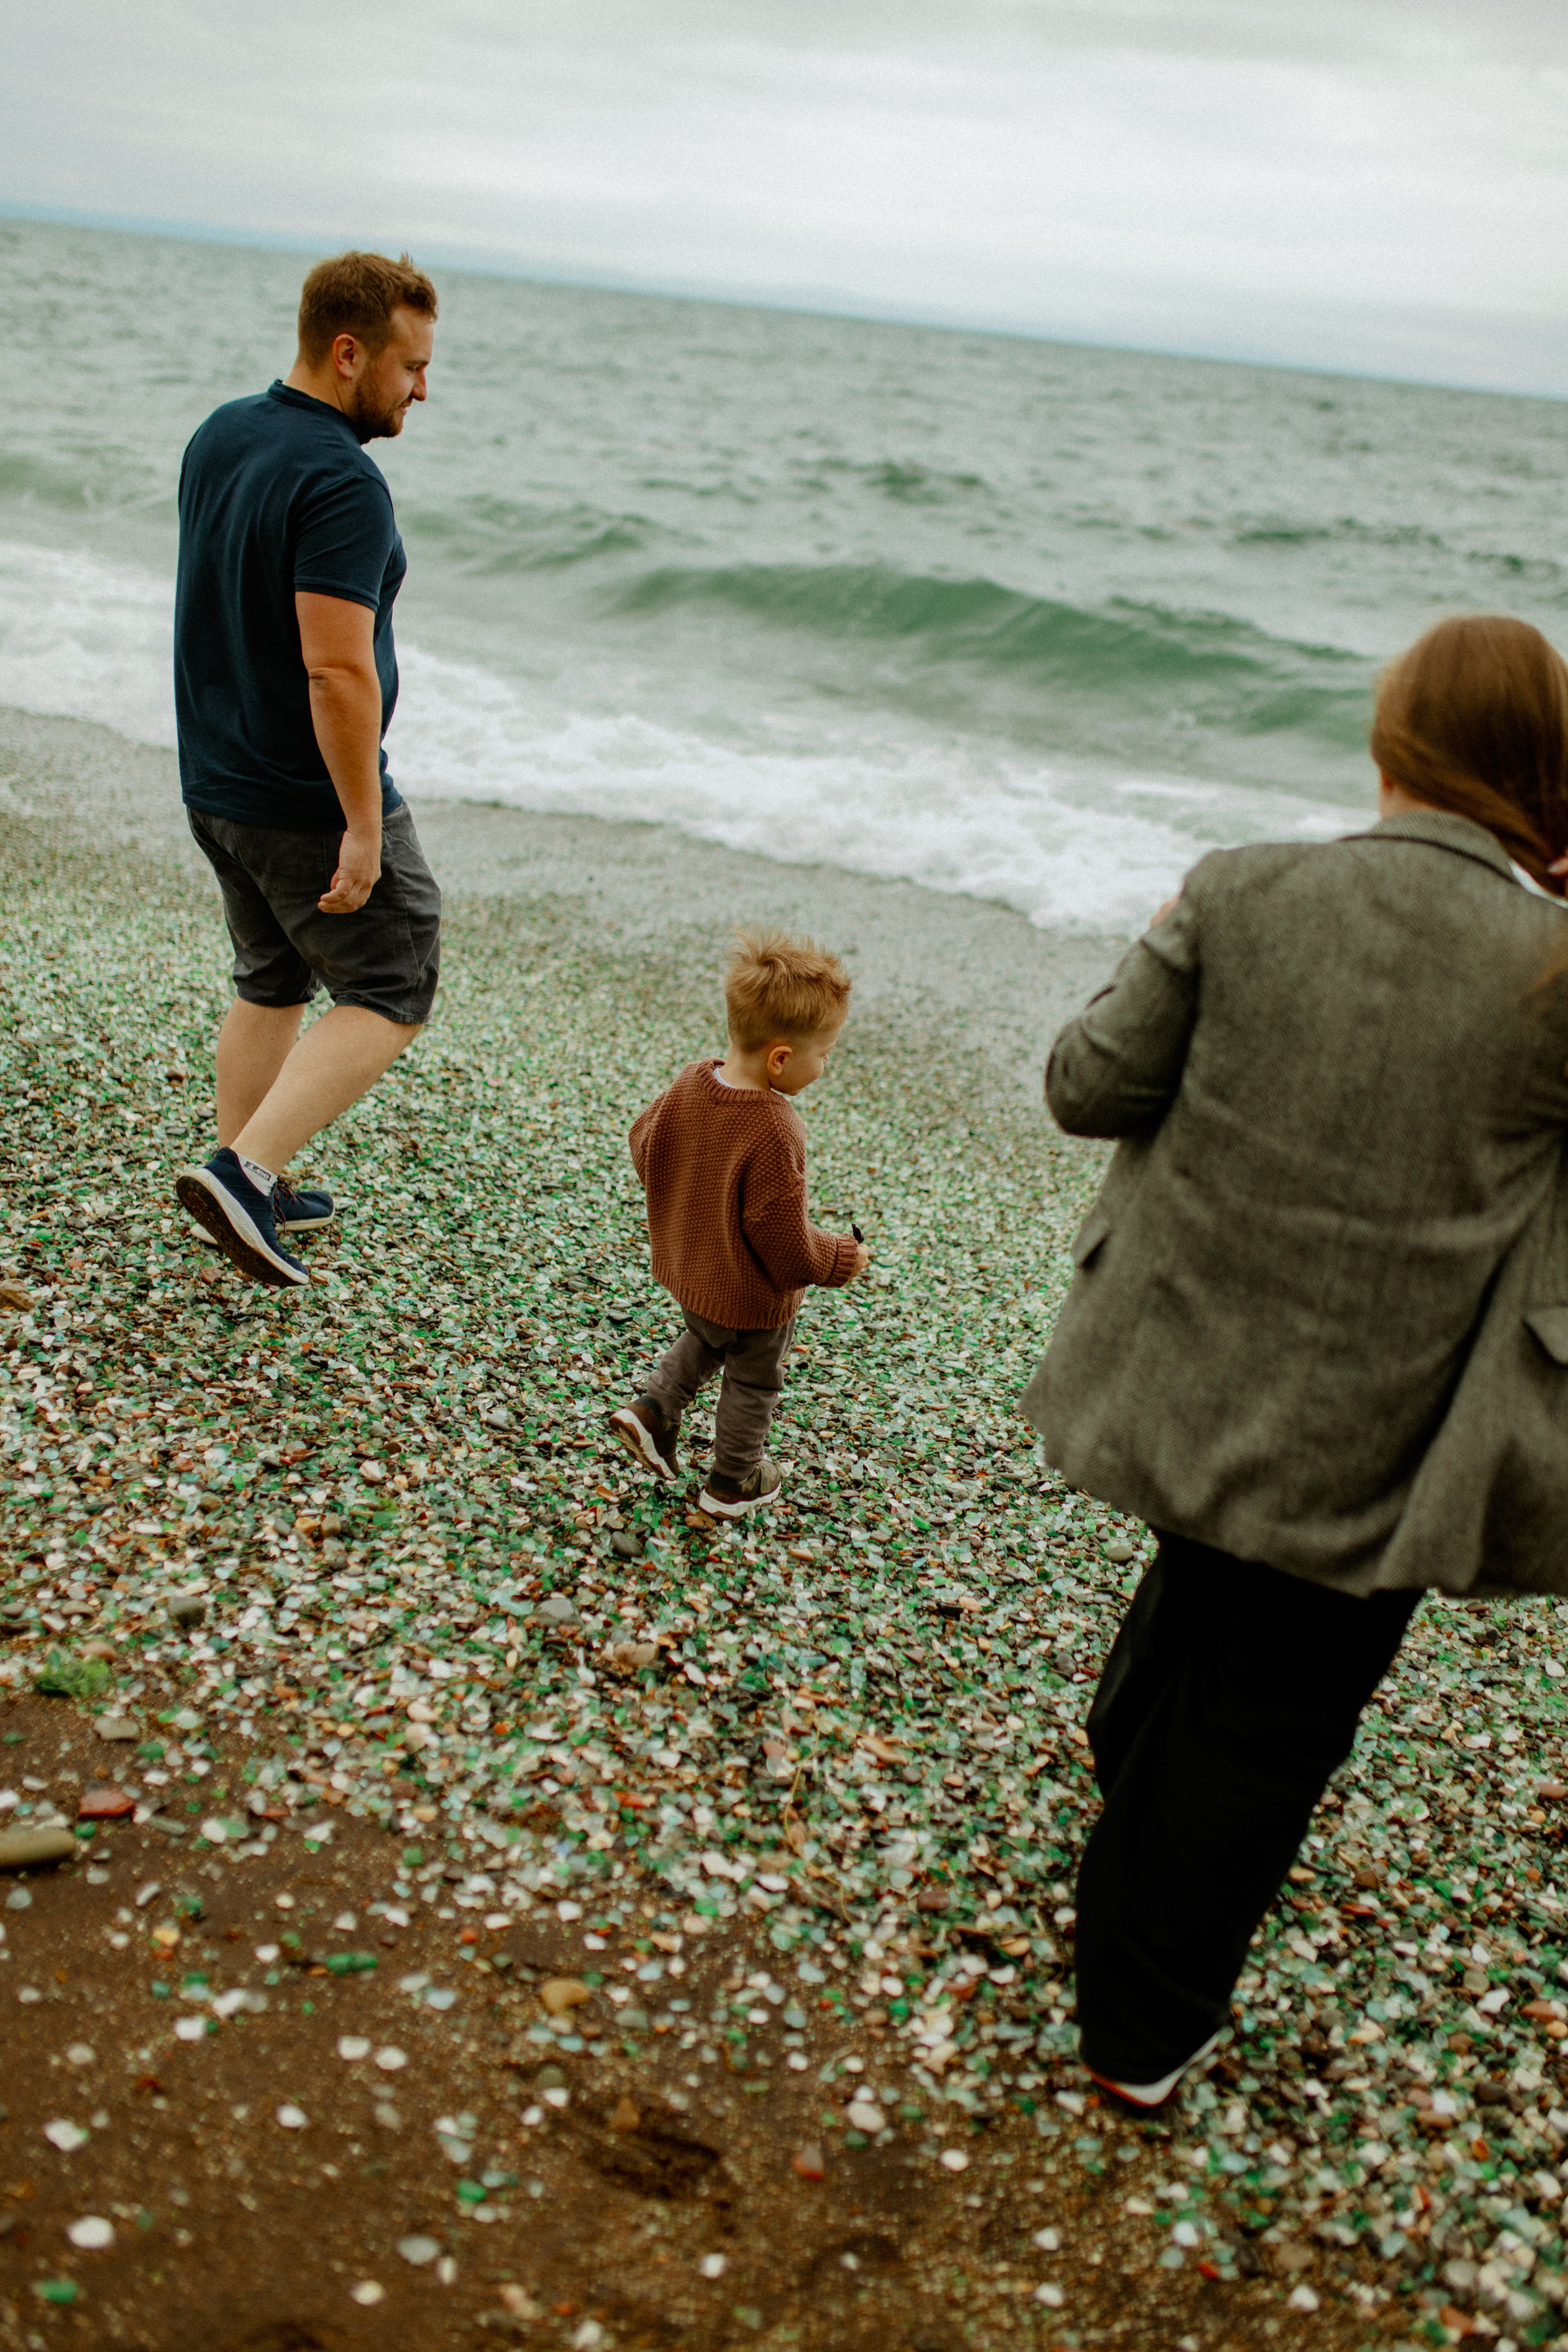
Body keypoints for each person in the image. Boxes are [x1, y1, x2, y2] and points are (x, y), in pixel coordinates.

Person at [1021, 614, 1568, 2111]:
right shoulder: (1554, 966)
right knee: (1268, 1714)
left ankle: (1125, 1784)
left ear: (1390, 741)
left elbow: (1086, 1084)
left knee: (1201, 1573)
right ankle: (1137, 2029)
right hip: (1400, 1410)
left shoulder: (1240, 887)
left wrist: (1158, 936)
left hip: (1192, 1352)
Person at [172, 250, 443, 1288]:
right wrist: (364, 823)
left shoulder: (222, 434)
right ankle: (246, 1172)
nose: (422, 387)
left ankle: (247, 1187)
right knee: (396, 971)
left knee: (273, 974)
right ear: (347, 353)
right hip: (300, 798)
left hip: (218, 778)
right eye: (409, 365)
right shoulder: (342, 480)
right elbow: (337, 672)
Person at [611, 931, 872, 1520]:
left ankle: (654, 1410)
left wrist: (688, 1203)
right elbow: (782, 1244)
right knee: (754, 1379)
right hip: (753, 1296)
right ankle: (734, 1479)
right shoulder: (776, 1129)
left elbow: (644, 1144)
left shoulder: (690, 1081)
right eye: (824, 1054)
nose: (825, 1067)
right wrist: (838, 1259)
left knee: (706, 1337)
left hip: (693, 1272)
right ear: (781, 1057)